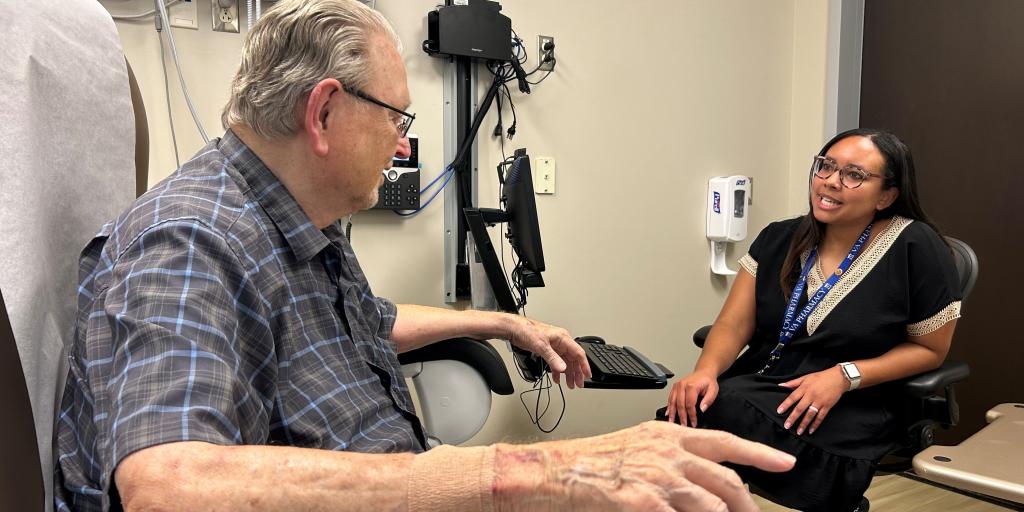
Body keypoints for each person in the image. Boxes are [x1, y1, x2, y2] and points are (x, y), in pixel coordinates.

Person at [53, 1, 796, 510]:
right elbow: (168, 486)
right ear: (324, 112)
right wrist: (529, 471)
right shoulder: (189, 241)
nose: (404, 142)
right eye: (396, 118)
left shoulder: (293, 218)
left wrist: (504, 327)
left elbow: (364, 319)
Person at [664, 128, 961, 511]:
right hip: (768, 381)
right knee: (695, 407)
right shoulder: (779, 238)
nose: (831, 182)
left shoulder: (916, 247)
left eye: (853, 174)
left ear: (887, 195)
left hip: (855, 399)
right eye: (826, 167)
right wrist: (705, 371)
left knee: (721, 412)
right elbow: (733, 325)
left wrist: (844, 376)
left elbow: (929, 350)